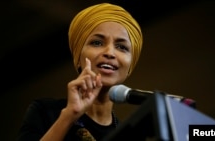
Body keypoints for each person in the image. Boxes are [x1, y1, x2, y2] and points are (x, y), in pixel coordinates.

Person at [17, 2, 143, 141]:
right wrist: (70, 115)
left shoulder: (131, 137)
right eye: (97, 43)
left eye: (121, 47)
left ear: (130, 65)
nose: (110, 53)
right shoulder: (45, 112)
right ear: (78, 57)